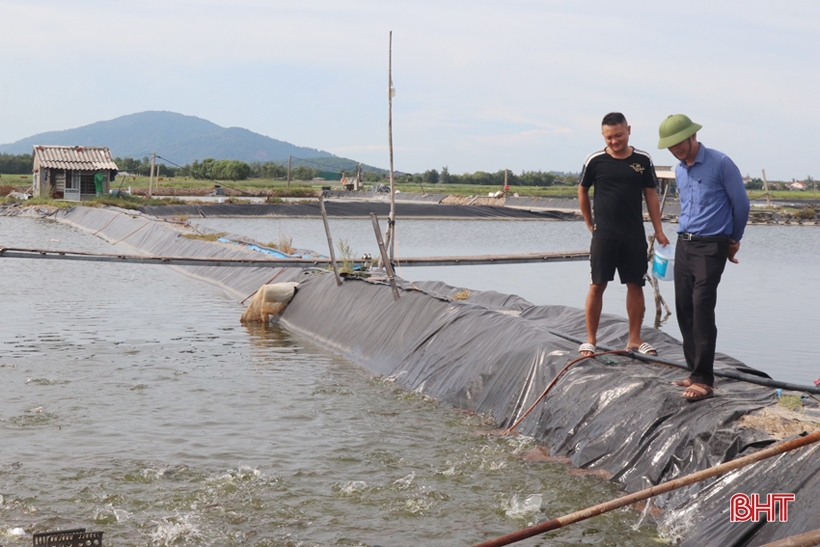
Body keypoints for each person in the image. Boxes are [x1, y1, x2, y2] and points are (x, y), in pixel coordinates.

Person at [657, 114, 750, 402]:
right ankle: (694, 370)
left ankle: (704, 380)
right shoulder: (679, 170)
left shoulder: (721, 163)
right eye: (670, 146)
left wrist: (733, 240)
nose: (676, 150)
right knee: (684, 306)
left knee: (702, 305)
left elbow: (741, 204)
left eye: (678, 143)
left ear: (692, 136)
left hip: (712, 246)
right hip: (684, 244)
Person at [578, 112, 669, 359]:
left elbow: (651, 194)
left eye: (618, 135)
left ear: (628, 130)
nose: (614, 141)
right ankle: (591, 340)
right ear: (602, 136)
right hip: (604, 234)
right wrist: (589, 222)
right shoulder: (595, 160)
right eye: (609, 137)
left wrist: (658, 230)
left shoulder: (642, 159)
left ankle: (635, 339)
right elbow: (583, 191)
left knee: (635, 284)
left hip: (633, 234)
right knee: (597, 285)